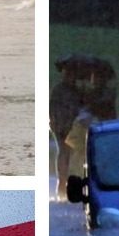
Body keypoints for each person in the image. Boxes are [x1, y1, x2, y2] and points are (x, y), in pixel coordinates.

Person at [50, 54, 86, 200]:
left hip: (72, 126)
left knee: (72, 155)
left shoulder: (77, 91)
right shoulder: (59, 90)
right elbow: (53, 108)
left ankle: (69, 184)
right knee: (64, 153)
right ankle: (62, 184)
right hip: (61, 126)